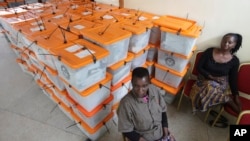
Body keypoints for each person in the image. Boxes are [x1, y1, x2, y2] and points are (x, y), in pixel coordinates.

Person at [190, 33, 242, 115]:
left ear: (234, 45)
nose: (226, 44)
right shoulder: (210, 51)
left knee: (209, 88)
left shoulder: (234, 61)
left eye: (229, 42)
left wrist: (236, 95)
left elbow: (233, 79)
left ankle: (232, 103)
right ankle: (228, 100)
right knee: (209, 86)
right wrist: (211, 77)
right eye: (224, 41)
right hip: (204, 78)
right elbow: (199, 67)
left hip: (220, 83)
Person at [117, 67, 175, 141]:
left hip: (161, 133)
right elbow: (126, 130)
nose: (140, 91)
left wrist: (166, 133)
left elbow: (163, 111)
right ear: (132, 83)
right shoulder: (126, 103)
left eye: (144, 86)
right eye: (136, 86)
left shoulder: (154, 90)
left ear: (149, 83)